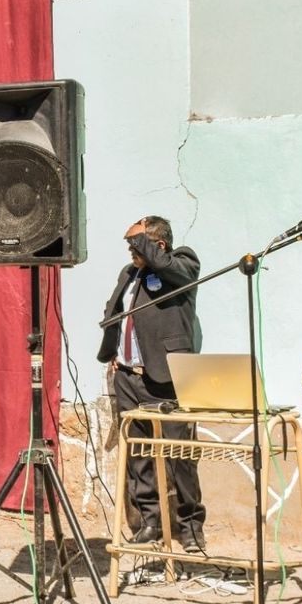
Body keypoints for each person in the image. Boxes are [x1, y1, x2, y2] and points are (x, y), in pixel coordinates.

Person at [97, 215, 206, 551]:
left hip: (166, 377)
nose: (131, 251)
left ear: (158, 245)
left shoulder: (183, 263)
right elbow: (117, 311)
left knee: (179, 455)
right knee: (139, 455)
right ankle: (150, 522)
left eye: (136, 244)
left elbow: (167, 265)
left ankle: (190, 527)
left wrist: (141, 239)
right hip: (128, 376)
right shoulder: (129, 273)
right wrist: (114, 350)